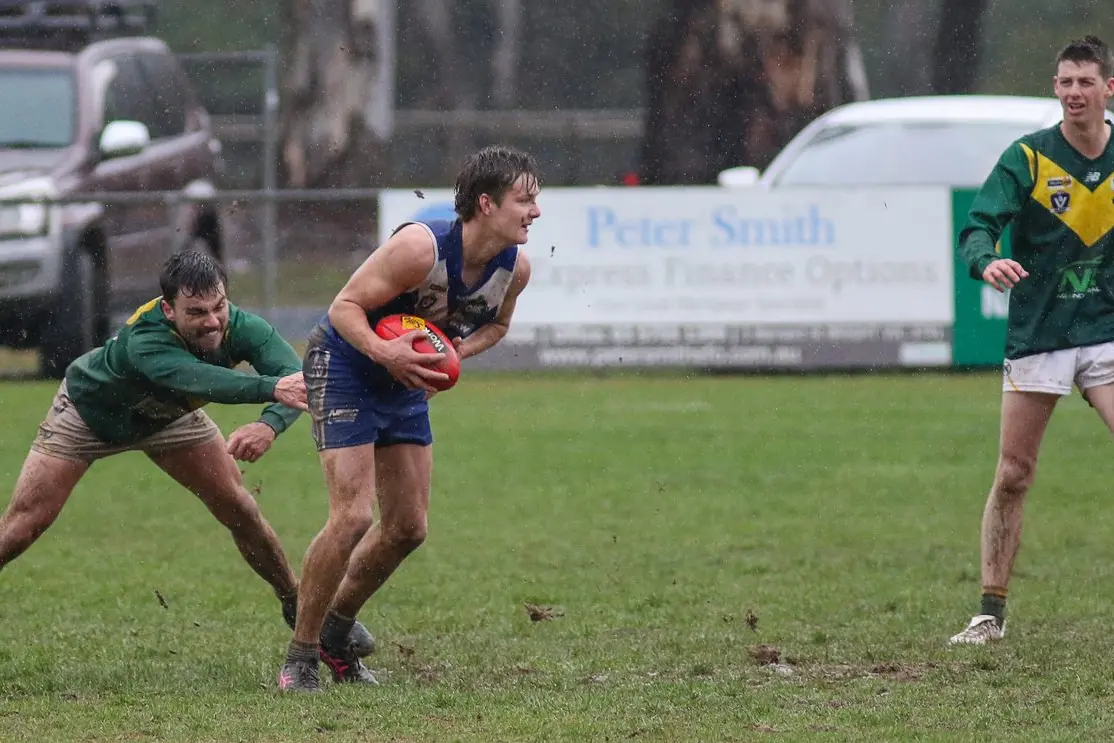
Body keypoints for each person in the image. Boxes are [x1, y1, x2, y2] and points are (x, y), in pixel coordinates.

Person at [0, 250, 372, 653]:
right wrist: (268, 389)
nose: (212, 321)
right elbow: (201, 379)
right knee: (23, 527)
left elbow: (293, 379)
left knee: (240, 509)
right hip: (89, 414)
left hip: (168, 418)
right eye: (196, 312)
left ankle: (295, 603)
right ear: (168, 309)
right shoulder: (145, 338)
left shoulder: (243, 326)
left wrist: (269, 424)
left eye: (218, 307)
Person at [277, 145, 541, 692]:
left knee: (408, 528)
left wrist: (450, 356)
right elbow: (342, 308)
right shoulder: (420, 249)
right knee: (352, 517)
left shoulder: (515, 269)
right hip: (346, 362)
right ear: (486, 204)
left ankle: (336, 627)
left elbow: (497, 328)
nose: (535, 212)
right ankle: (299, 656)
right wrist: (388, 353)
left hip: (402, 376)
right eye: (525, 199)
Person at [950, 36, 1114, 645]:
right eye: (1064, 82)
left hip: (1106, 331)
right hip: (1042, 330)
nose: (1073, 93)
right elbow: (978, 225)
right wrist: (985, 261)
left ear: (1108, 89)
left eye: (1084, 82)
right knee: (1014, 472)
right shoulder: (1029, 157)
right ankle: (989, 613)